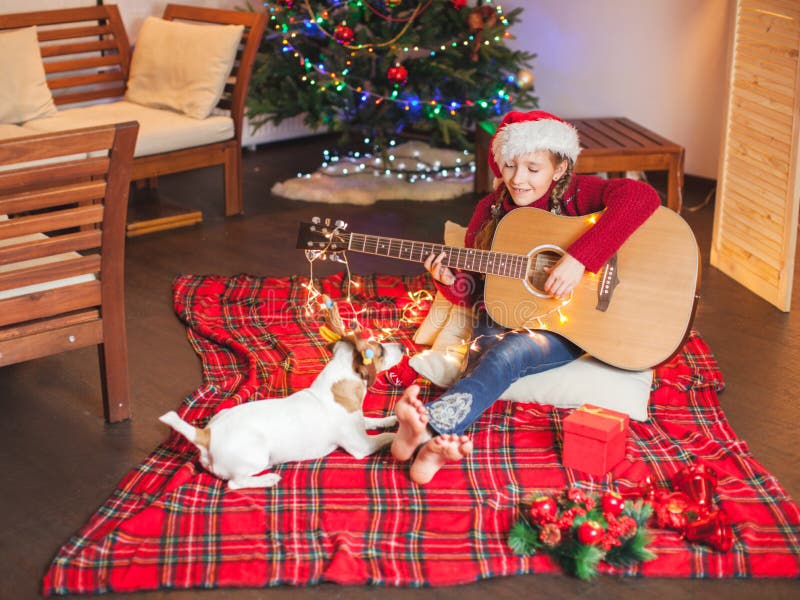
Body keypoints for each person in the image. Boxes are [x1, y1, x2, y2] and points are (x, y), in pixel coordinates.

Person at [390, 110, 661, 484]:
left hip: (572, 323)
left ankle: (429, 428)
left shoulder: (581, 193)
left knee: (508, 352)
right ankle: (436, 444)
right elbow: (475, 292)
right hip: (502, 310)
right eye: (510, 166)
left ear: (560, 167)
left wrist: (581, 259)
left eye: (533, 169)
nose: (519, 179)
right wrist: (448, 280)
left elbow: (641, 195)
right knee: (482, 351)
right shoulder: (489, 211)